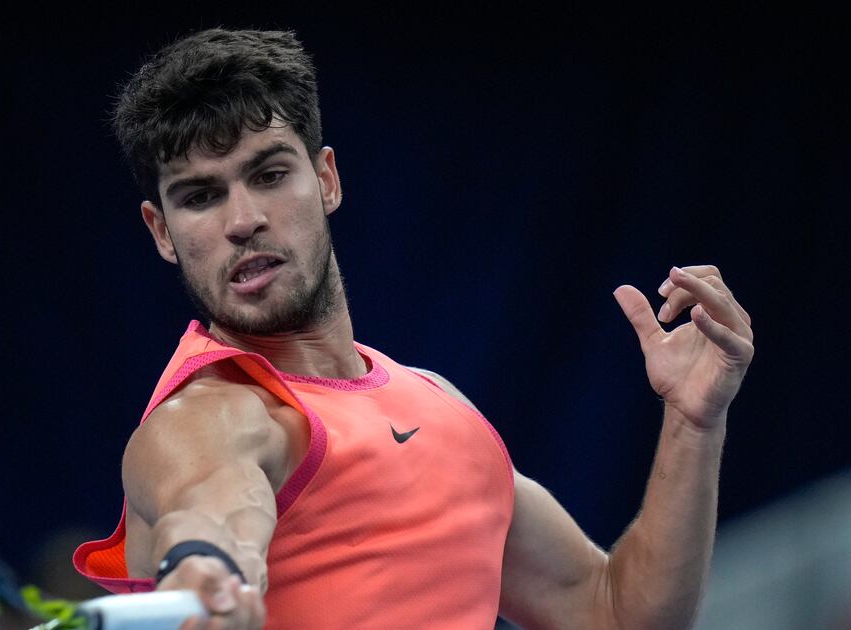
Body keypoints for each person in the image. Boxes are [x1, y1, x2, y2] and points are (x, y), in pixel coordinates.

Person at [73, 28, 755, 629]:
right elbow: (211, 507)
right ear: (162, 232)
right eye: (201, 196)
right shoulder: (201, 419)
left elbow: (616, 613)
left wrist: (693, 423)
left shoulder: (439, 404)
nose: (243, 219)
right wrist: (206, 567)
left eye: (270, 174)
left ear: (326, 179)